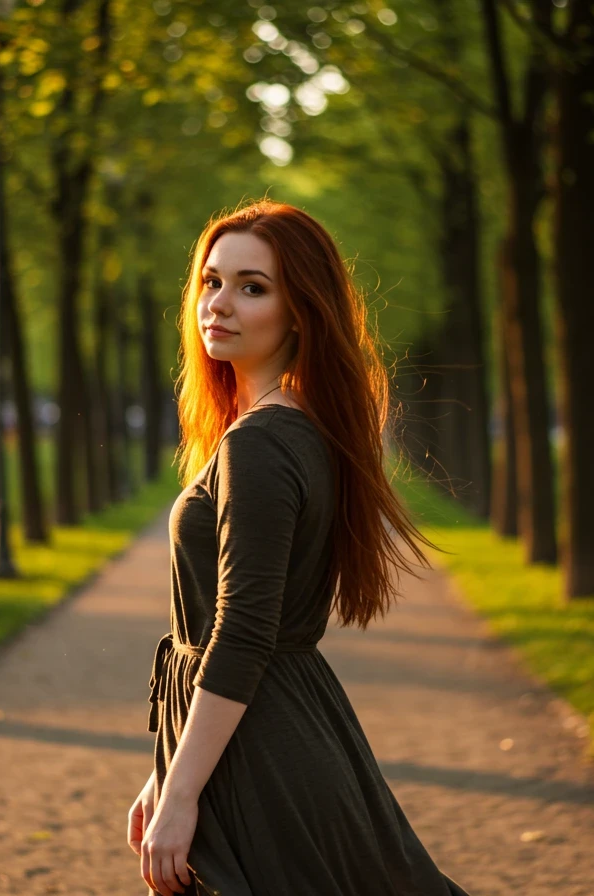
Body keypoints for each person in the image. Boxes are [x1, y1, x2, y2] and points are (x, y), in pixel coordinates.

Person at [128, 199, 473, 896]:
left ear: (301, 312)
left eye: (253, 287)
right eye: (212, 281)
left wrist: (181, 793)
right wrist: (166, 772)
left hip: (264, 753)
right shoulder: (289, 427)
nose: (219, 303)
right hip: (265, 730)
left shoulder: (260, 443)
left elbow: (244, 632)